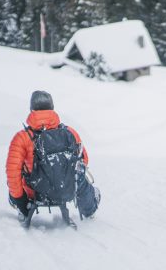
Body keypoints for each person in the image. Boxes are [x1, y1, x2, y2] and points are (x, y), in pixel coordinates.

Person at [6, 90, 100, 219]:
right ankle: (89, 209)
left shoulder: (22, 137)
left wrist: (20, 201)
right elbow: (84, 160)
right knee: (80, 174)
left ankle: (22, 209)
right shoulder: (69, 132)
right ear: (52, 108)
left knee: (14, 178)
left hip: (36, 193)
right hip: (67, 189)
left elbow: (12, 172)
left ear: (32, 109)